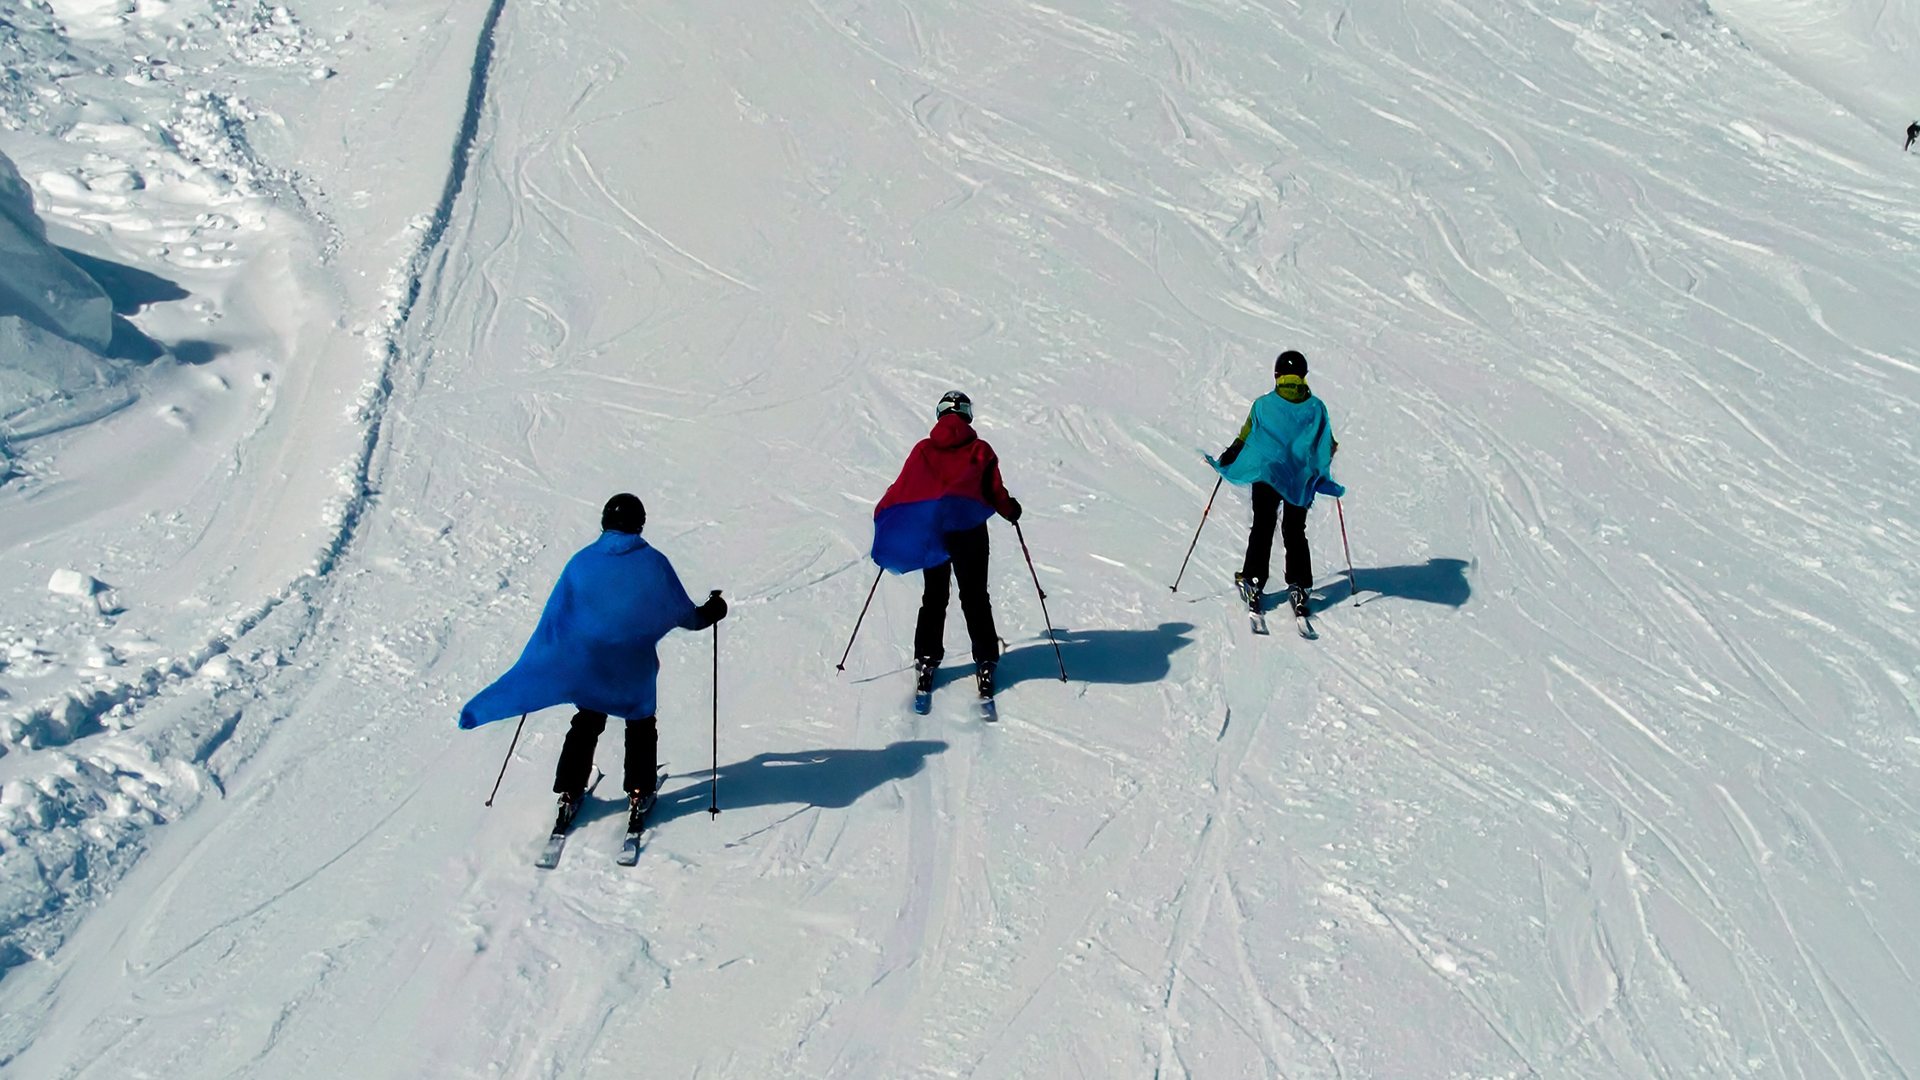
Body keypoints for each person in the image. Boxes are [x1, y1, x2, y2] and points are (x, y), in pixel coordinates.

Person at [459, 493, 727, 832]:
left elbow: (556, 620)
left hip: (588, 666)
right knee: (640, 722)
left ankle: (569, 792)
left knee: (587, 718)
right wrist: (714, 610)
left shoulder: (581, 562)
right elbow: (688, 617)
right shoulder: (654, 563)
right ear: (639, 523)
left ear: (605, 521)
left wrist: (538, 662)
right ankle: (640, 792)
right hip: (632, 670)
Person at [871, 391, 1022, 701]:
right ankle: (985, 661)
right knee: (975, 596)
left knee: (934, 596)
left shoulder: (924, 450)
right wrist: (1011, 510)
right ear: (967, 415)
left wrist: (887, 514)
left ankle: (926, 659)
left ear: (940, 414)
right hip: (970, 532)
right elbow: (994, 492)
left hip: (935, 533)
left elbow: (903, 488)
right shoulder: (980, 450)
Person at [1208, 350, 1343, 619]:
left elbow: (1247, 436)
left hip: (1268, 474)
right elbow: (1328, 444)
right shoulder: (1316, 408)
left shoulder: (1263, 405)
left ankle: (1253, 580)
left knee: (1263, 525)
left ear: (1277, 375)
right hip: (1300, 480)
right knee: (1294, 529)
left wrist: (1230, 457)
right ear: (1303, 375)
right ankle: (1300, 585)